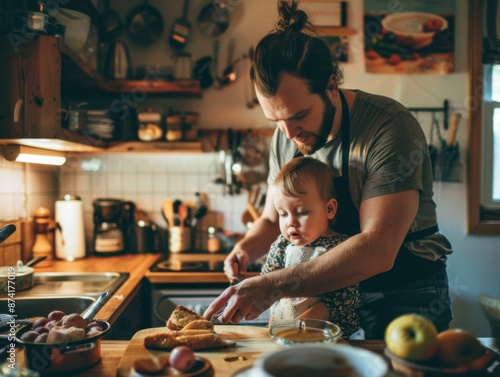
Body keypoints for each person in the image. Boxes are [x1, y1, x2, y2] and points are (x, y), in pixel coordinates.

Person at [203, 0, 453, 339]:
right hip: (328, 291)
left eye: (298, 115)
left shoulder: (389, 126)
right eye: (275, 120)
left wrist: (273, 286)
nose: (289, 133)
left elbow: (379, 249)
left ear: (331, 86)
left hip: (404, 291)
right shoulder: (286, 135)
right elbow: (268, 218)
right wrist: (245, 248)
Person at [262, 156, 359, 337]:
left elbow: (342, 301)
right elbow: (266, 286)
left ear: (330, 209)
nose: (291, 222)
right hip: (282, 334)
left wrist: (299, 328)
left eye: (302, 212)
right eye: (282, 214)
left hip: (324, 338)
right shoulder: (281, 246)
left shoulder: (341, 248)